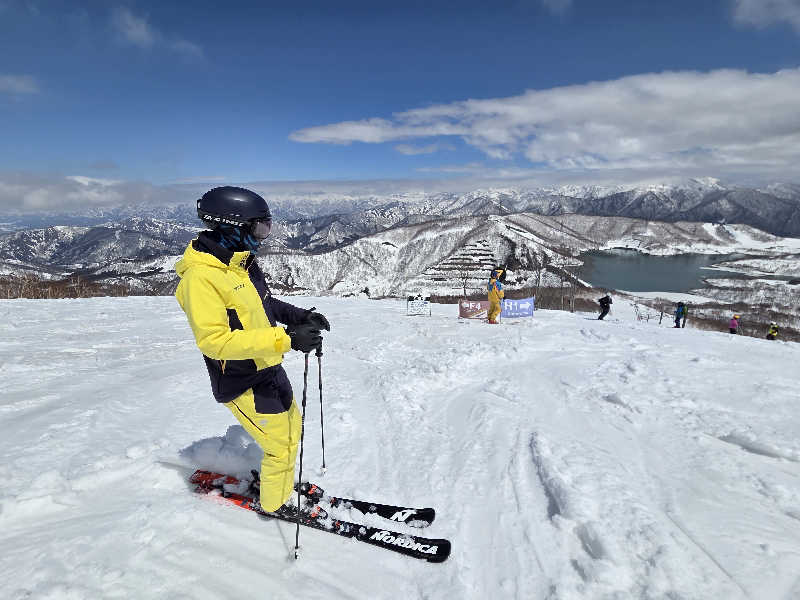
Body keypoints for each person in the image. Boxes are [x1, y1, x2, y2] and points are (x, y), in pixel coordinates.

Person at [174, 186, 330, 515]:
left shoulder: (240, 264)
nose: (264, 236)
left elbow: (264, 304)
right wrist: (287, 340)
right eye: (260, 228)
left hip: (268, 366)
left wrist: (300, 317)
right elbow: (214, 341)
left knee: (292, 429)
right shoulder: (201, 279)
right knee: (279, 445)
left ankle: (280, 480)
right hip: (241, 379)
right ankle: (275, 502)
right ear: (232, 225)